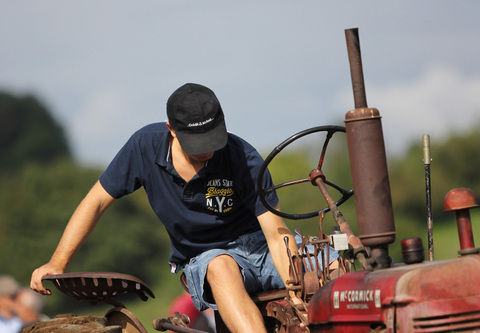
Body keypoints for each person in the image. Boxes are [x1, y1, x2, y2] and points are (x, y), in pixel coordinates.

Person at [30, 83, 338, 332]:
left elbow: (276, 235)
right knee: (220, 265)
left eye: (213, 139)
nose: (207, 150)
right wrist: (58, 262)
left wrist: (298, 291)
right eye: (198, 142)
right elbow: (96, 202)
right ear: (172, 129)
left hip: (259, 247)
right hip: (206, 257)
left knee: (336, 265)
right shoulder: (144, 147)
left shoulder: (242, 156)